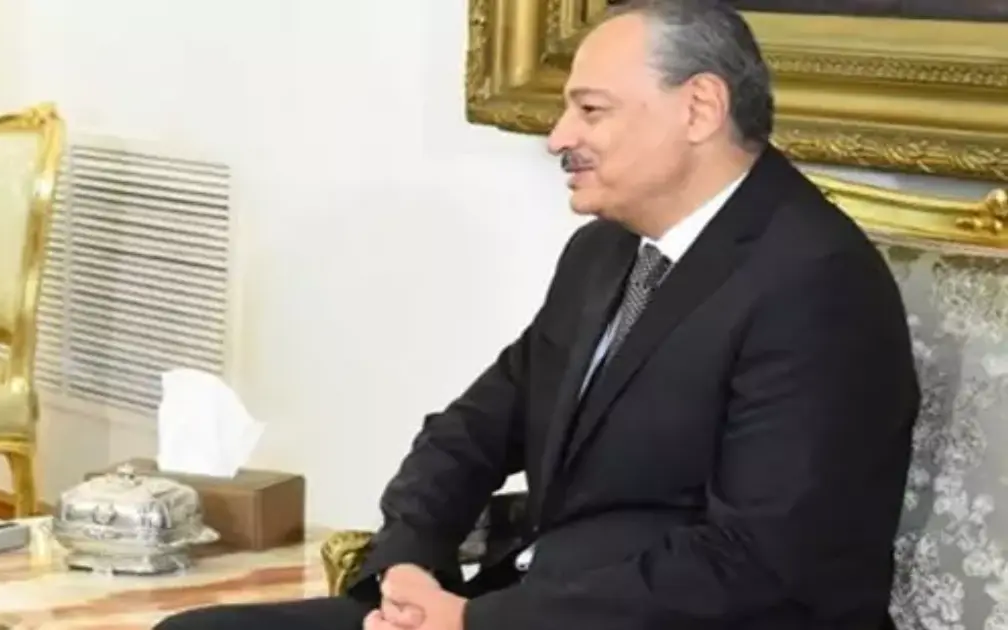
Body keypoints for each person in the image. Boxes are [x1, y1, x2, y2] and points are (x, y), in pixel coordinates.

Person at [153, 0, 920, 628]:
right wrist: (408, 564)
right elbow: (471, 431)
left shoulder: (816, 284)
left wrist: (475, 622)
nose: (560, 137)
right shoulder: (606, 253)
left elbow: (755, 562)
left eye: (590, 110)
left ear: (699, 108)